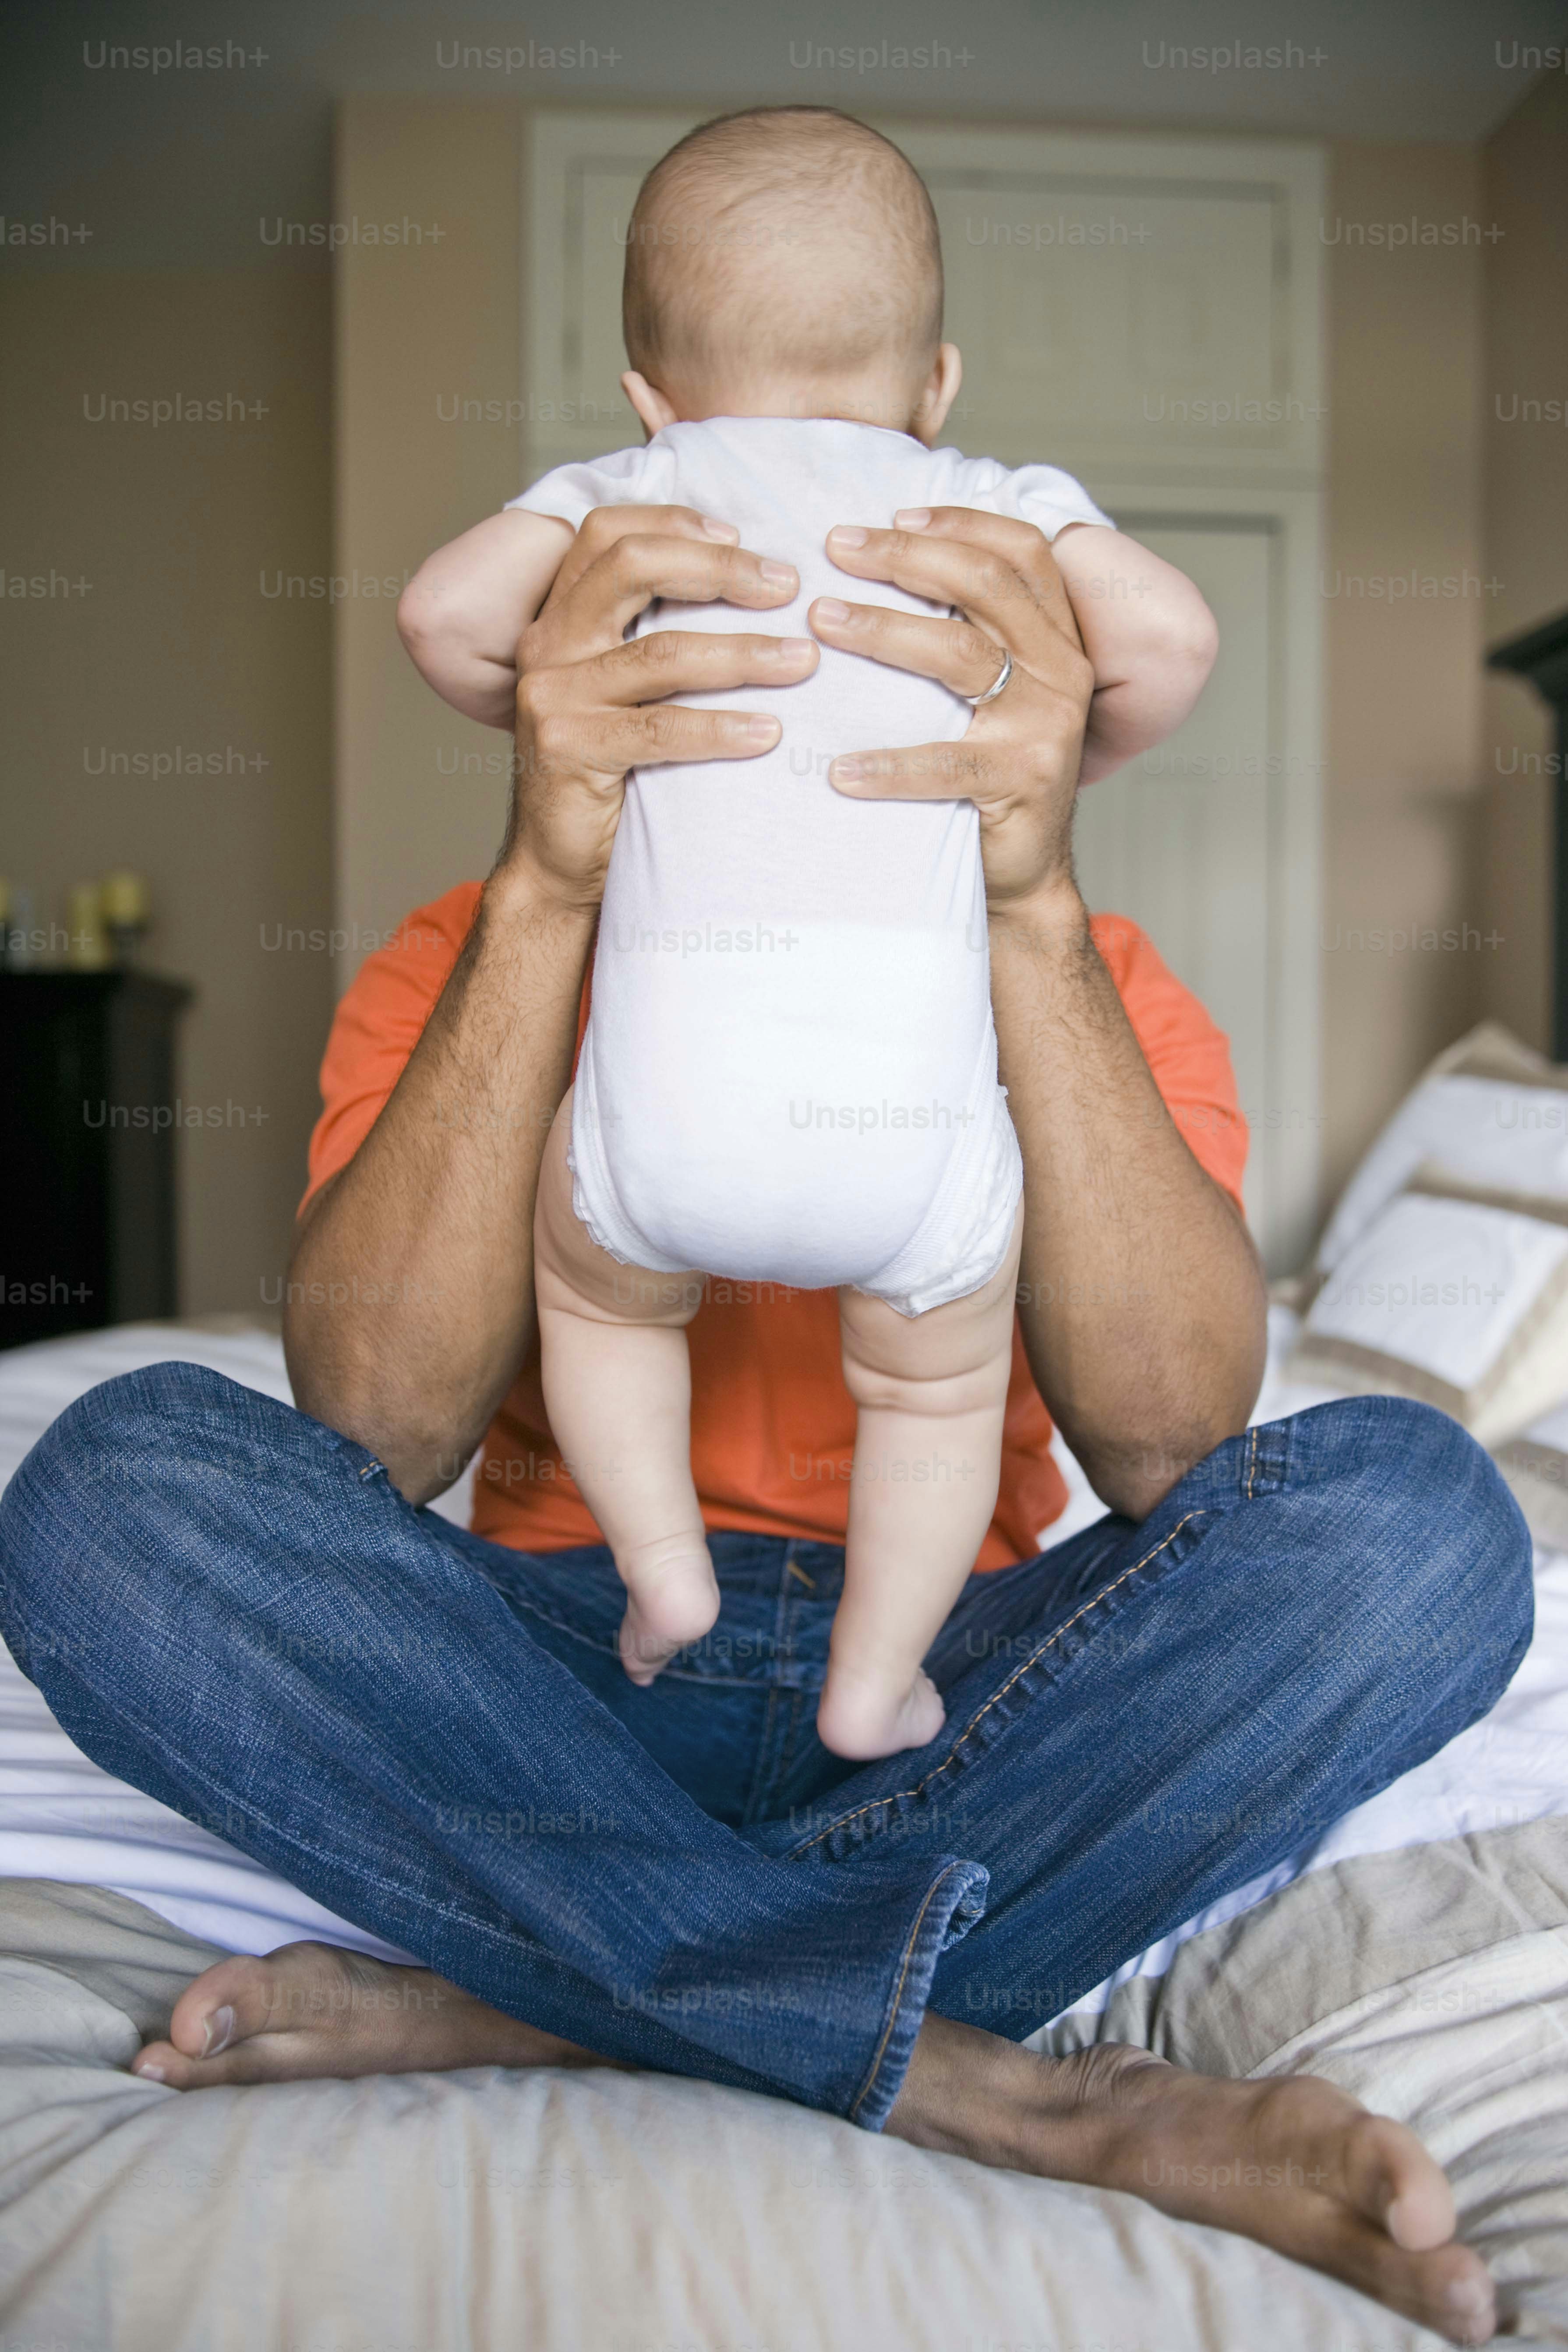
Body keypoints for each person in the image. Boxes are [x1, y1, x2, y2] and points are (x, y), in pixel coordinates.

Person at [0, 103, 1532, 2352]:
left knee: (1416, 1526)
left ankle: (541, 1988)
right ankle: (1009, 2089)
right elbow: (374, 1425)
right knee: (120, 1484)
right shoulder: (459, 947)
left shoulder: (1108, 986)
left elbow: (1178, 1440)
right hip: (542, 1671)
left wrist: (1020, 890)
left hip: (967, 1701)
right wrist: (547, 871)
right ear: (916, 405)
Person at [397, 107, 1219, 1761]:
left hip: (663, 1123)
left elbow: (438, 614)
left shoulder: (643, 489)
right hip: (907, 1146)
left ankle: (660, 1582)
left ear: (648, 395)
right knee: (931, 1386)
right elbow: (1172, 637)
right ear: (936, 388)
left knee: (607, 1300)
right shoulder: (980, 503)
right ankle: (874, 1686)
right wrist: (1060, 766)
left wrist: (540, 713)